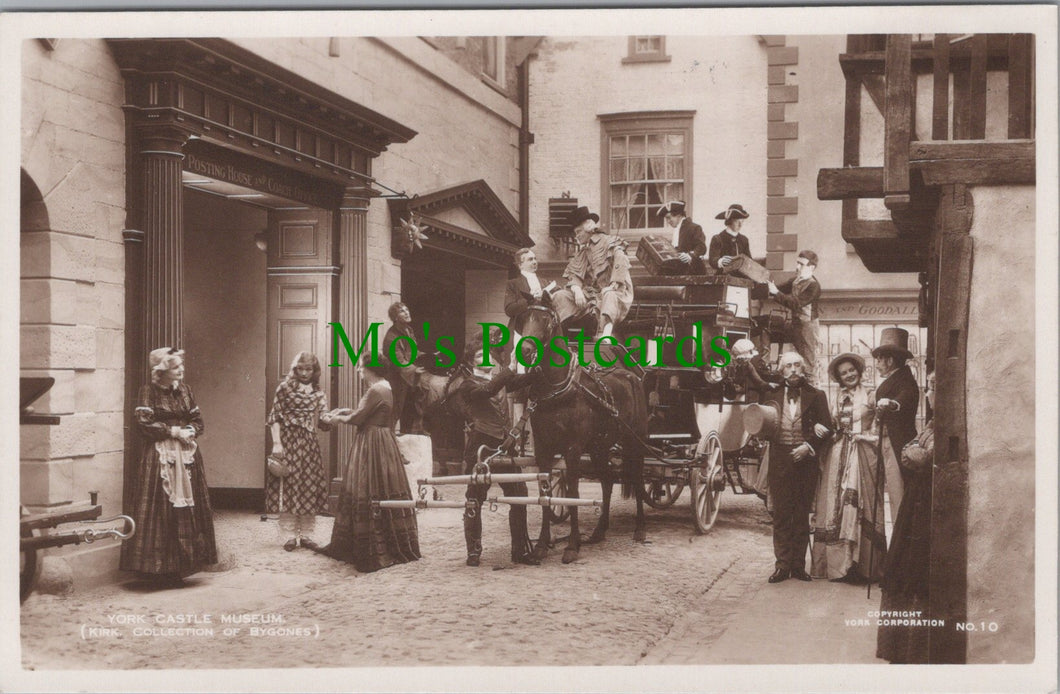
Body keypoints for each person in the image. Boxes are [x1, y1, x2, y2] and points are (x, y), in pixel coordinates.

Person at [304, 360, 420, 572]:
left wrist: (335, 419)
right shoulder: (386, 387)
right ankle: (392, 542)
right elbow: (369, 412)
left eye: (360, 367)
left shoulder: (375, 389)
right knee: (383, 487)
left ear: (370, 370)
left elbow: (358, 418)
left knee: (367, 487)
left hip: (371, 442)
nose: (358, 370)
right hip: (383, 440)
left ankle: (368, 547)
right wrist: (345, 411)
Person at [120, 348, 217, 584]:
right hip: (159, 455)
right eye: (175, 367)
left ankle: (181, 567)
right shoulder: (148, 391)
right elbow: (143, 423)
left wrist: (190, 430)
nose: (181, 370)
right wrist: (172, 431)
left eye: (181, 366)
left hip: (186, 454)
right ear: (162, 370)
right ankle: (155, 570)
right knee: (160, 509)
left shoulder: (185, 390)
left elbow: (198, 420)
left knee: (186, 508)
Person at [445, 338, 538, 567]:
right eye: (479, 356)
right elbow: (489, 389)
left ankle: (519, 551)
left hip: (505, 446)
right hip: (481, 448)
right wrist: (510, 367)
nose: (485, 358)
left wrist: (536, 364)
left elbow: (527, 379)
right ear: (471, 361)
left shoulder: (501, 380)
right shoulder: (467, 385)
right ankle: (474, 551)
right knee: (475, 499)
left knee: (519, 496)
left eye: (487, 354)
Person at [810, 352, 885, 582]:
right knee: (836, 505)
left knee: (858, 503)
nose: (849, 375)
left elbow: (880, 427)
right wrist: (818, 427)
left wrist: (865, 437)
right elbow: (831, 424)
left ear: (859, 372)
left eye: (852, 370)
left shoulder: (871, 395)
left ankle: (861, 566)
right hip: (838, 453)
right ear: (839, 378)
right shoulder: (837, 397)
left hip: (862, 453)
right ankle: (837, 567)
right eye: (844, 373)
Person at [877, 370, 934, 663]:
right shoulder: (932, 422)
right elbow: (913, 450)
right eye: (931, 387)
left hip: (924, 501)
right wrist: (912, 450)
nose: (929, 393)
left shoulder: (906, 384)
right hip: (915, 490)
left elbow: (918, 455)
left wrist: (911, 450)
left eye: (934, 388)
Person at [765, 351, 832, 584]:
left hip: (806, 458)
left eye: (796, 365)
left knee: (801, 513)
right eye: (788, 366)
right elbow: (761, 425)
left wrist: (809, 446)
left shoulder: (817, 395)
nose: (793, 370)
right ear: (782, 371)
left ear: (802, 369)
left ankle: (798, 566)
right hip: (779, 457)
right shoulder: (771, 394)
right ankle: (781, 566)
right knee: (782, 513)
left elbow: (828, 427)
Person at [266, 352, 333, 552]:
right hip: (287, 440)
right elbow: (274, 417)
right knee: (288, 485)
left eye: (309, 369)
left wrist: (333, 417)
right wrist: (277, 444)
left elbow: (324, 418)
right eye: (301, 369)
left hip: (309, 443)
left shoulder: (319, 393)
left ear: (315, 371)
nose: (304, 373)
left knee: (308, 485)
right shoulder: (284, 389)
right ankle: (288, 536)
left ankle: (307, 534)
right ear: (295, 369)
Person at [551, 206, 634, 338]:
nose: (576, 236)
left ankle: (605, 336)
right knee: (560, 295)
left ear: (588, 229)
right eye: (575, 233)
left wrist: (614, 284)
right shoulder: (583, 252)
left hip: (617, 290)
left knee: (609, 295)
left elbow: (621, 259)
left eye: (579, 232)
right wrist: (577, 289)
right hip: (593, 294)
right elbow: (574, 273)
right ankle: (561, 336)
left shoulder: (608, 241)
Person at [871, 327, 920, 524]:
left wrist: (890, 404)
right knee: (894, 491)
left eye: (879, 360)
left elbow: (905, 398)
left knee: (898, 491)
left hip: (897, 443)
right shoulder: (897, 378)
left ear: (890, 360)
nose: (877, 365)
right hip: (888, 442)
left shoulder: (905, 380)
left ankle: (902, 542)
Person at [767, 250, 822, 377]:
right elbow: (778, 289)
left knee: (809, 363)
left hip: (808, 328)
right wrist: (766, 286)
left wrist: (775, 292)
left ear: (811, 267)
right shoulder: (795, 281)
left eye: (801, 264)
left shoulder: (814, 286)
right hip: (796, 325)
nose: (797, 267)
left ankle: (811, 390)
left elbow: (795, 303)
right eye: (797, 263)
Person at [382, 301, 425, 434]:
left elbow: (411, 352)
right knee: (394, 412)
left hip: (408, 378)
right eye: (402, 311)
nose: (407, 312)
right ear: (395, 317)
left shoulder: (408, 330)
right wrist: (414, 370)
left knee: (414, 408)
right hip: (396, 380)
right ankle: (387, 442)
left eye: (407, 310)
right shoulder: (391, 337)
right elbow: (399, 361)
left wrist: (428, 356)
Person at [659, 200, 706, 274]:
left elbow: (702, 247)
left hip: (694, 272)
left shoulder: (694, 227)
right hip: (680, 272)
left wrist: (691, 255)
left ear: (678, 215)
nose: (668, 221)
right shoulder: (677, 229)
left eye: (669, 217)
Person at [707, 204, 752, 272]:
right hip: (723, 278)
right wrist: (721, 261)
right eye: (737, 221)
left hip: (742, 279)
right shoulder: (718, 238)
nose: (740, 225)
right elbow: (712, 260)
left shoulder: (744, 240)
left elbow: (749, 261)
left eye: (742, 221)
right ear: (729, 221)